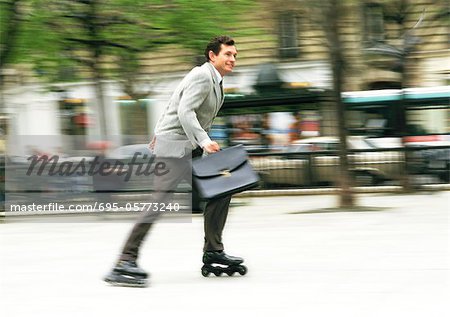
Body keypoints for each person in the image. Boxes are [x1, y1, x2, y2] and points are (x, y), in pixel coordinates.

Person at [104, 35, 245, 287]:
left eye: (234, 55)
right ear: (213, 56)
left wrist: (203, 142)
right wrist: (204, 140)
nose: (233, 59)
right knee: (159, 202)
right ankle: (123, 261)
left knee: (221, 189)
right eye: (228, 54)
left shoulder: (216, 80)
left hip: (190, 147)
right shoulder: (202, 75)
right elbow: (184, 111)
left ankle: (213, 252)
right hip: (173, 147)